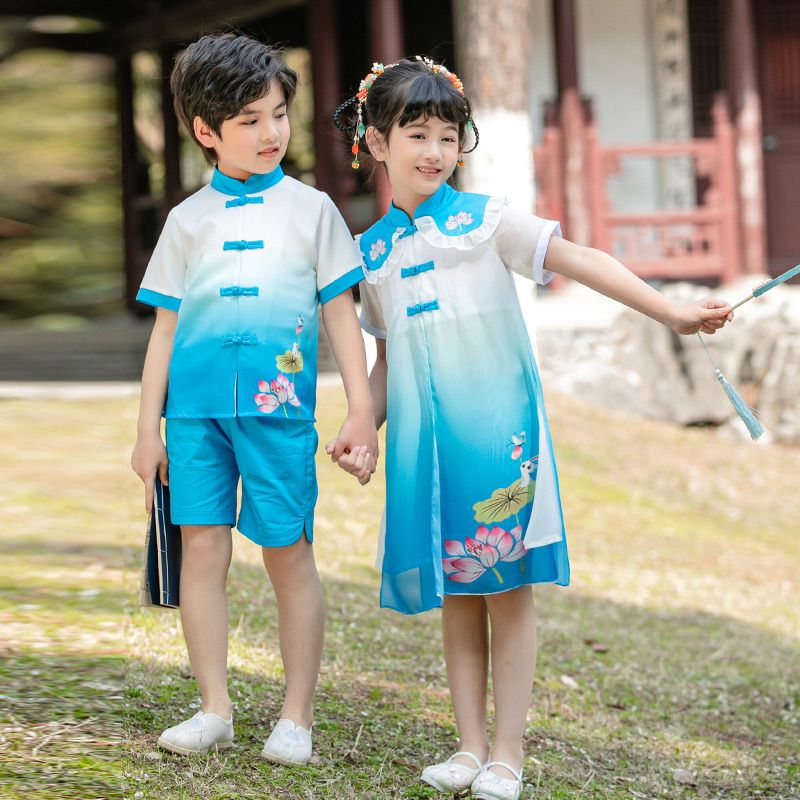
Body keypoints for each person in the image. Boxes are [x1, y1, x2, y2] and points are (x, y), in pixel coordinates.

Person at [329, 57, 732, 800]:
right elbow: (386, 359)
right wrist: (364, 424)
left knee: (506, 587)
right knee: (457, 591)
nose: (434, 152)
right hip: (427, 449)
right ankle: (468, 746)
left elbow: (578, 257)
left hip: (497, 438)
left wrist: (671, 310)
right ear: (375, 143)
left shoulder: (488, 222)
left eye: (448, 136)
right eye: (415, 134)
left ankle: (507, 755)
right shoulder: (372, 253)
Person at [130, 32, 377, 764]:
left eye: (278, 115)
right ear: (206, 132)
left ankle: (295, 716)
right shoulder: (186, 222)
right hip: (195, 417)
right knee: (200, 552)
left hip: (279, 414)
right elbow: (163, 334)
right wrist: (148, 431)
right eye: (249, 120)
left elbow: (341, 314)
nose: (272, 133)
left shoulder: (314, 211)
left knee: (287, 552)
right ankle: (214, 708)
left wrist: (361, 408)